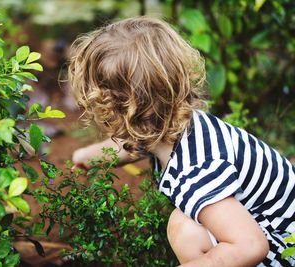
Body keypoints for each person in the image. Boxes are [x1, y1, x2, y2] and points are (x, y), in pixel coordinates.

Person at [68, 17, 295, 266]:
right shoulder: (171, 123)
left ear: (110, 110)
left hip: (285, 249)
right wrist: (87, 157)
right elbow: (129, 146)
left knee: (185, 229)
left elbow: (250, 246)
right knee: (187, 222)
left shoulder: (196, 171)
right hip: (274, 227)